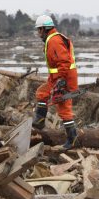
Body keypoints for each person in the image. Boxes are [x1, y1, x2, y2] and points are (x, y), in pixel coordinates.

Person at [32, 15, 78, 149]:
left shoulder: (54, 41)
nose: (38, 33)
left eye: (39, 30)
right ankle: (40, 121)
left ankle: (72, 138)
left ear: (44, 29)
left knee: (63, 109)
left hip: (64, 79)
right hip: (57, 78)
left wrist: (62, 81)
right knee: (42, 93)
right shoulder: (52, 39)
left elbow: (64, 62)